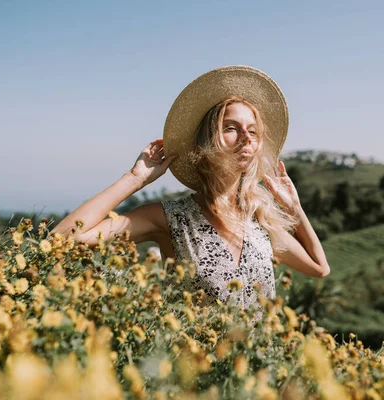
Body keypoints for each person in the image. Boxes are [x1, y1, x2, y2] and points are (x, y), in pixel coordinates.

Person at [51, 66, 330, 309]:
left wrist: (295, 209)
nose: (246, 137)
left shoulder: (260, 221)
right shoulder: (168, 218)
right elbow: (62, 240)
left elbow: (320, 268)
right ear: (207, 140)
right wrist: (135, 179)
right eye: (231, 128)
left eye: (253, 131)